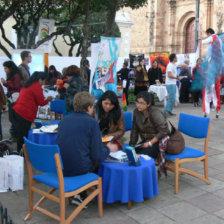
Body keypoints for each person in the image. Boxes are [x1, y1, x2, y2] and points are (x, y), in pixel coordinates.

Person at [56, 91, 118, 177]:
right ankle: (98, 188)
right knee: (102, 163)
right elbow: (98, 156)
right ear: (89, 108)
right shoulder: (92, 123)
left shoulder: (64, 120)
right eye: (93, 107)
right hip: (80, 170)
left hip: (61, 167)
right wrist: (108, 148)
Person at [129, 91, 170, 175]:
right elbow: (135, 130)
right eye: (137, 102)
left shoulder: (155, 112)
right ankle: (134, 175)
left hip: (159, 141)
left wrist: (150, 143)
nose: (138, 105)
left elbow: (163, 131)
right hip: (146, 141)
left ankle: (144, 178)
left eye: (142, 103)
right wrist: (131, 146)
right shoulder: (136, 112)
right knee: (131, 155)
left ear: (148, 104)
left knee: (141, 158)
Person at [13, 72, 52, 152]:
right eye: (44, 80)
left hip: (18, 110)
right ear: (40, 79)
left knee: (20, 134)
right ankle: (23, 153)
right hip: (25, 113)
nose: (44, 83)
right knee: (23, 134)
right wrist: (48, 99)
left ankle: (20, 151)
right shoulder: (36, 87)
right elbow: (41, 102)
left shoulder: (28, 84)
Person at [200, 28, 222, 118]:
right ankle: (217, 111)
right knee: (216, 90)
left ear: (209, 33)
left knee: (207, 90)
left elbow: (204, 42)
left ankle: (206, 112)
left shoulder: (213, 37)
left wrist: (202, 38)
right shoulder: (219, 39)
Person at [1, 61, 23, 140]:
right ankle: (15, 134)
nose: (5, 70)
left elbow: (16, 86)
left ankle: (16, 135)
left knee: (14, 117)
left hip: (15, 98)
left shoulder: (16, 75)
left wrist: (6, 83)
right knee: (12, 117)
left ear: (10, 68)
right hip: (12, 97)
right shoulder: (13, 75)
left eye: (6, 68)